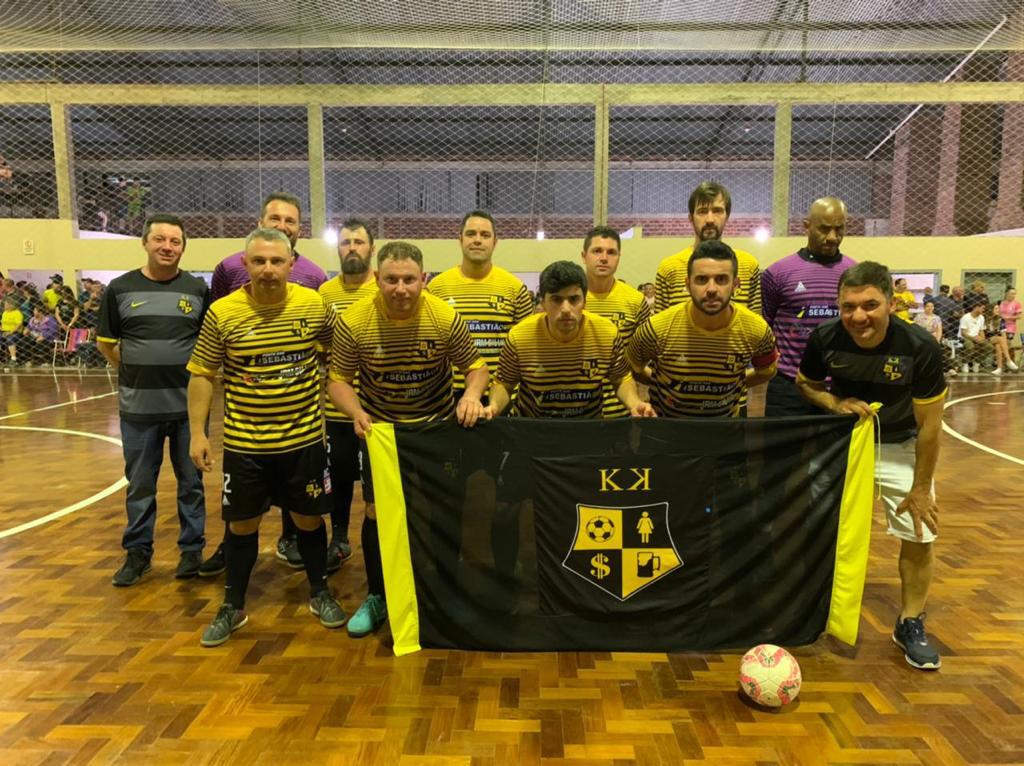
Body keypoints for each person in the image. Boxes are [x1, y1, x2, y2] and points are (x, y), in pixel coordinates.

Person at [187, 227, 345, 647]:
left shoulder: (314, 306)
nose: (269, 269)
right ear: (246, 264)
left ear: (292, 264)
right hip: (245, 444)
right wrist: (197, 434)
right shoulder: (223, 313)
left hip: (304, 439)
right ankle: (233, 605)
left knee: (310, 520)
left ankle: (320, 592)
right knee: (242, 526)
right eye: (259, 261)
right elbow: (202, 374)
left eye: (277, 261)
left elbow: (338, 358)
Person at [327, 241, 488, 639]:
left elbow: (477, 368)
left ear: (424, 280)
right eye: (392, 279)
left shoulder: (445, 317)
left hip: (434, 431)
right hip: (381, 433)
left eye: (410, 280)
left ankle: (445, 591)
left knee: (441, 508)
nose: (401, 288)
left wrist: (469, 395)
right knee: (377, 514)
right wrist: (356, 412)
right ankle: (378, 595)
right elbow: (338, 381)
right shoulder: (354, 321)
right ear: (377, 279)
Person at [796, 261, 946, 670]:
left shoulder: (919, 347)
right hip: (846, 444)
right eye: (848, 306)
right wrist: (835, 403)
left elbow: (931, 426)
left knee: (919, 529)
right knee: (817, 526)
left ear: (891, 303)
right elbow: (805, 384)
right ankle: (815, 612)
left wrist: (920, 488)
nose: (858, 316)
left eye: (869, 305)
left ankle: (910, 621)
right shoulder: (825, 337)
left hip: (901, 443)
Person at [202, 192, 327, 576]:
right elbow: (213, 342)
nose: (281, 225)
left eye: (289, 221)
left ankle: (295, 547)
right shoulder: (227, 275)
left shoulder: (314, 280)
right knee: (242, 511)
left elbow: (326, 344)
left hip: (299, 426)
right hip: (246, 426)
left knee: (303, 509)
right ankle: (232, 565)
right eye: (275, 218)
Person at [96, 214, 210, 586]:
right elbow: (106, 343)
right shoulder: (119, 289)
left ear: (183, 247)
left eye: (175, 241)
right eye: (160, 239)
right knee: (140, 484)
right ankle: (138, 553)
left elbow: (207, 346)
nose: (167, 247)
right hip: (138, 411)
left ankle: (192, 551)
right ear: (144, 243)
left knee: (191, 483)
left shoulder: (196, 290)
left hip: (188, 411)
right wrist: (134, 371)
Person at [628, 240, 778, 418]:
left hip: (725, 434)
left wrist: (735, 384)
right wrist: (665, 384)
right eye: (701, 279)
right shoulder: (656, 328)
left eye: (721, 279)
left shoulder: (757, 329)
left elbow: (767, 370)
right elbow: (633, 367)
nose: (712, 289)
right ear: (687, 284)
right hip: (666, 434)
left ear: (736, 285)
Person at [487, 260, 655, 419]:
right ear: (543, 302)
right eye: (556, 300)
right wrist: (494, 406)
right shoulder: (520, 336)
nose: (566, 309)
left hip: (588, 430)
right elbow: (504, 382)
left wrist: (634, 403)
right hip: (533, 430)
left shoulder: (607, 333)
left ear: (585, 301)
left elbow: (620, 378)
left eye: (574, 299)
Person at [317, 218, 379, 573]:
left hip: (379, 411)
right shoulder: (324, 294)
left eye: (358, 242)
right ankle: (339, 540)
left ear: (372, 248)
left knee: (377, 484)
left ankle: (382, 541)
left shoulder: (385, 288)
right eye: (345, 242)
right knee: (338, 479)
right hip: (337, 412)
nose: (352, 247)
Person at [761, 196, 856, 416]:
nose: (832, 237)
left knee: (836, 451)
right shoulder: (778, 273)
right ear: (807, 226)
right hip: (787, 386)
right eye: (824, 229)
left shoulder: (854, 274)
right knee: (783, 451)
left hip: (838, 386)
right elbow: (766, 325)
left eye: (839, 229)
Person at [425, 210, 533, 397]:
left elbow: (525, 349)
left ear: (495, 242)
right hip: (449, 395)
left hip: (500, 396)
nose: (477, 240)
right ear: (460, 239)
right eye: (470, 234)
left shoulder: (515, 289)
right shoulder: (436, 288)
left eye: (485, 235)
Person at [654, 181, 761, 315]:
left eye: (717, 211)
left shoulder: (748, 265)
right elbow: (660, 327)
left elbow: (756, 325)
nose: (710, 219)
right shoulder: (669, 268)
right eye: (702, 212)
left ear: (727, 217)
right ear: (691, 218)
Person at [578, 226, 651, 417]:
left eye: (611, 252)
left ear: (619, 257)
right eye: (597, 251)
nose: (604, 258)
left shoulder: (635, 301)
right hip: (578, 410)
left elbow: (643, 358)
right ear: (584, 256)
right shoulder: (569, 299)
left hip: (622, 410)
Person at [996, 287, 1021, 365]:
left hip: (1010, 327)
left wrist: (1008, 317)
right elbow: (997, 313)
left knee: (1008, 344)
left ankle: (1009, 362)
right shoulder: (1001, 303)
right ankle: (1001, 363)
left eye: (1014, 294)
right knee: (1000, 345)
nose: (1013, 295)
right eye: (1011, 293)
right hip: (1000, 326)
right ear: (1007, 293)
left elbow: (1019, 316)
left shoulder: (1016, 303)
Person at [2, 297, 23, 365]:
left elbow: (18, 325)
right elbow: (2, 323)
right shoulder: (5, 312)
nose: (4, 306)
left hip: (15, 332)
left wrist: (10, 332)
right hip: (4, 331)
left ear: (11, 305)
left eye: (6, 305)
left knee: (10, 340)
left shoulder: (17, 313)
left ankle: (13, 359)